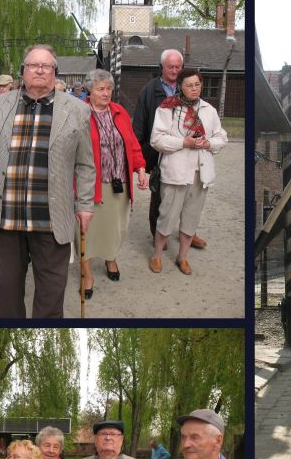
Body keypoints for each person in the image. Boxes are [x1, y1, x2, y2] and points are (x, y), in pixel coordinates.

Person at [0, 43, 95, 318]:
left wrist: (85, 205)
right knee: (7, 293)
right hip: (7, 218)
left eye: (45, 65)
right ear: (22, 71)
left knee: (51, 296)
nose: (39, 70)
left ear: (54, 73)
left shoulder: (77, 110)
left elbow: (85, 164)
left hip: (51, 219)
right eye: (32, 65)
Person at [149, 68, 227, 276]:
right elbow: (157, 140)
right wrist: (184, 142)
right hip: (175, 172)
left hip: (200, 174)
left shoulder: (209, 110)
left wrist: (208, 142)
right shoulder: (167, 108)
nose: (194, 89)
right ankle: (157, 254)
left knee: (191, 218)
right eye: (189, 85)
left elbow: (222, 137)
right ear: (180, 87)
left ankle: (182, 257)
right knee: (167, 216)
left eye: (198, 84)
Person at [77, 69, 148, 293]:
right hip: (91, 185)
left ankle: (110, 257)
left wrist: (140, 168)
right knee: (86, 231)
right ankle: (87, 276)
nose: (106, 93)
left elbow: (132, 143)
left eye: (109, 88)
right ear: (90, 90)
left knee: (117, 228)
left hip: (120, 183)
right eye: (100, 89)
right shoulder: (80, 114)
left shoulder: (119, 111)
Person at [132, 48, 207, 249]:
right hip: (160, 150)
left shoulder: (188, 88)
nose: (174, 70)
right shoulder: (149, 90)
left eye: (178, 66)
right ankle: (158, 233)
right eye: (170, 66)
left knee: (189, 192)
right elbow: (139, 122)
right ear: (162, 67)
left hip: (189, 150)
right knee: (160, 193)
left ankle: (189, 233)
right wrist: (140, 150)